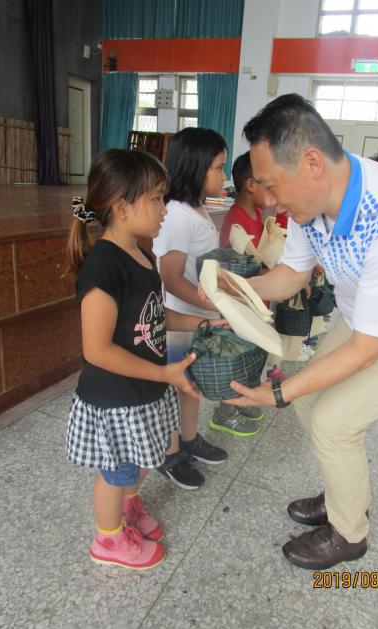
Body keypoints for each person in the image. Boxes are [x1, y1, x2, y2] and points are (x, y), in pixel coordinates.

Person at [221, 93, 378, 570]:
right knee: (311, 403)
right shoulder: (310, 202)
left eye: (272, 186)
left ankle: (350, 533)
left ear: (312, 163)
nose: (269, 200)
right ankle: (346, 493)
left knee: (334, 422)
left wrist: (278, 393)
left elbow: (365, 351)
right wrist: (238, 292)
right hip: (367, 316)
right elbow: (291, 274)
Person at [66, 149, 223, 570]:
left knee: (139, 459)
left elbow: (155, 314)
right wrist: (162, 371)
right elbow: (97, 350)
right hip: (115, 398)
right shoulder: (103, 268)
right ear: (121, 207)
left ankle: (128, 508)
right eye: (155, 199)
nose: (164, 209)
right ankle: (108, 539)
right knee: (116, 472)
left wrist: (201, 322)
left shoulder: (141, 254)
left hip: (143, 389)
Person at [153, 129, 258, 492]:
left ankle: (189, 438)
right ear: (195, 168)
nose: (223, 175)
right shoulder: (177, 215)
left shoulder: (197, 209)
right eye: (217, 167)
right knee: (176, 386)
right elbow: (170, 279)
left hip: (197, 316)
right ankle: (170, 454)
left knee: (192, 383)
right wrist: (214, 305)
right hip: (178, 320)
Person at [219, 151, 274, 249]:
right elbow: (232, 257)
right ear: (251, 185)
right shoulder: (236, 221)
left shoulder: (256, 211)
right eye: (269, 186)